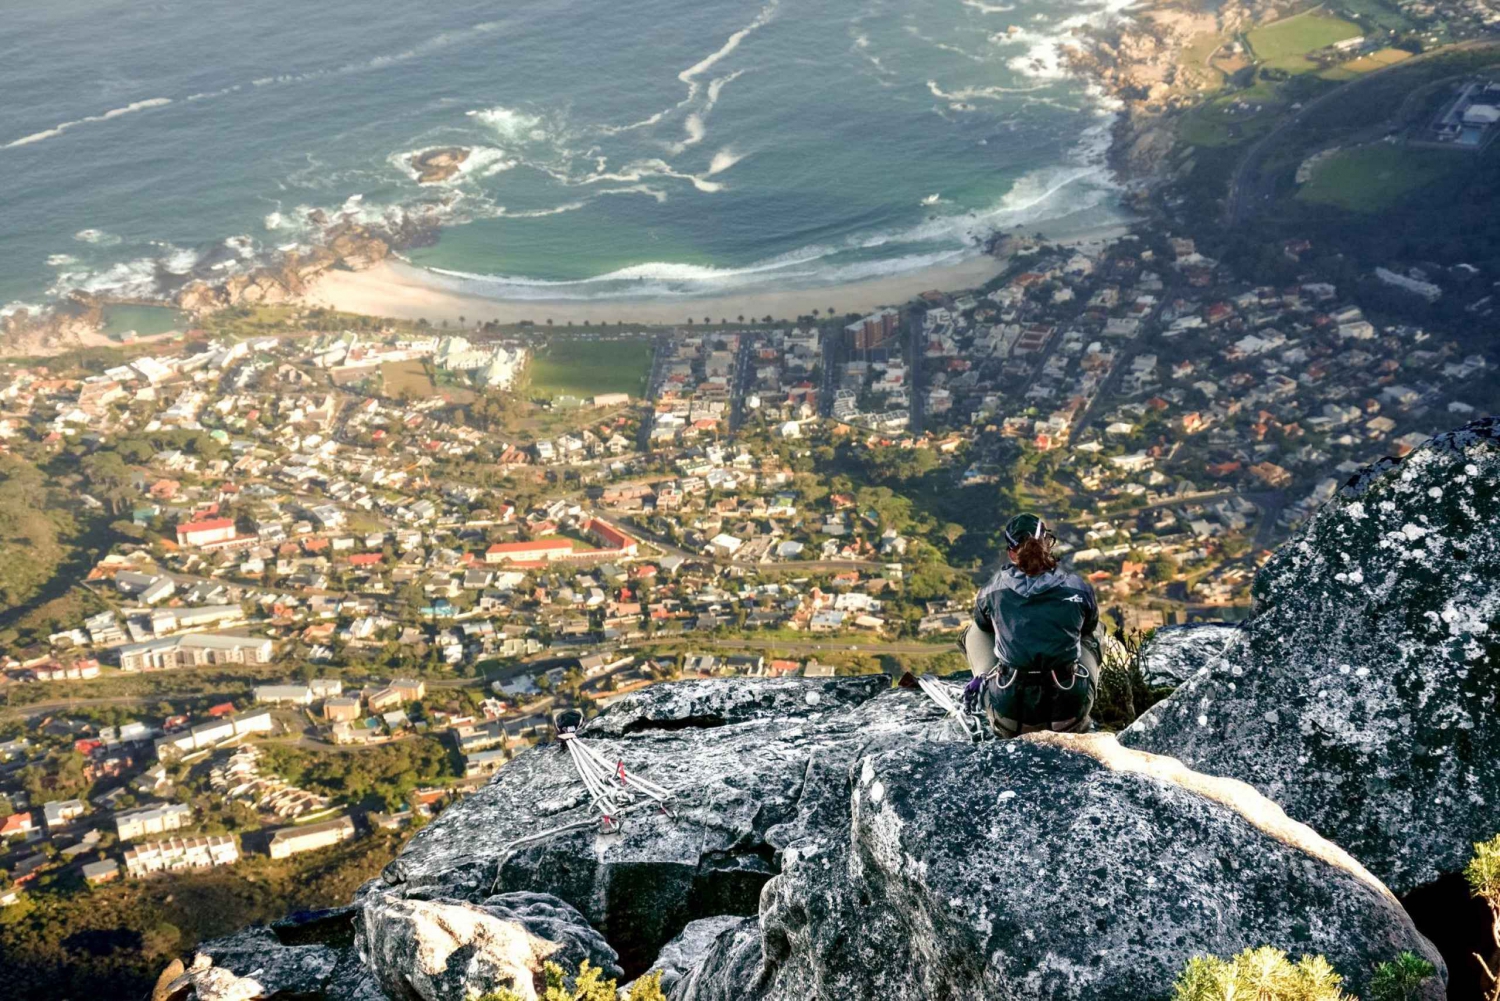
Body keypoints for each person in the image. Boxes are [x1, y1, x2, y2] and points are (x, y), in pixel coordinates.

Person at [963, 513, 1099, 738]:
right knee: (1095, 629)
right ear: (1047, 544)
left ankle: (982, 677)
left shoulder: (993, 590)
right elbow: (1088, 628)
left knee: (975, 630)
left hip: (1011, 716)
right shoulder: (1077, 586)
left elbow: (983, 625)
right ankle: (1083, 698)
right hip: (1068, 712)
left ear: (1011, 553)